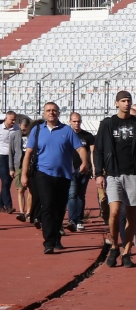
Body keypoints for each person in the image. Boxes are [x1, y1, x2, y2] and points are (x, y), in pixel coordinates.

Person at [94, 91, 136, 268]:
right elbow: (98, 150)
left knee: (131, 214)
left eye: (128, 101)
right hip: (113, 173)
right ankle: (114, 246)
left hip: (133, 174)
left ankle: (127, 252)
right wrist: (99, 173)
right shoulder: (107, 124)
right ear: (116, 103)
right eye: (123, 101)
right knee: (114, 212)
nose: (126, 103)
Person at [20, 103, 89, 253]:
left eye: (54, 111)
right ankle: (49, 242)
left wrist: (84, 162)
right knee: (48, 206)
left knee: (59, 208)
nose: (51, 113)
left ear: (58, 113)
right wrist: (24, 174)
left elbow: (80, 148)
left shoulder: (67, 130)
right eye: (48, 110)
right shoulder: (37, 130)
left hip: (64, 175)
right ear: (44, 113)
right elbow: (28, 154)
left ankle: (57, 237)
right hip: (43, 173)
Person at [65, 112, 95, 232]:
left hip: (84, 169)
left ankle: (79, 220)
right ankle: (72, 220)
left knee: (81, 195)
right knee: (72, 194)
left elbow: (92, 152)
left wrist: (93, 167)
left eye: (78, 121)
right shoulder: (66, 135)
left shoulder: (88, 136)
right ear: (70, 122)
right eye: (74, 121)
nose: (77, 123)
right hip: (71, 169)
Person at [10, 118, 32, 222]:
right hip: (18, 165)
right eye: (23, 128)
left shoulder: (32, 135)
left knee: (31, 190)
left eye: (26, 128)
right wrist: (11, 168)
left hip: (31, 165)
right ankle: (21, 212)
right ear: (19, 126)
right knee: (20, 189)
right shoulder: (14, 135)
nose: (24, 130)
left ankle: (29, 212)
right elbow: (11, 153)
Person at [0, 111, 19, 213]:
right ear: (6, 118)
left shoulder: (17, 129)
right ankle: (8, 206)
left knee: (8, 182)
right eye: (12, 119)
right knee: (5, 181)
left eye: (15, 119)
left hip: (13, 157)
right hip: (2, 156)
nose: (13, 121)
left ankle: (0, 204)